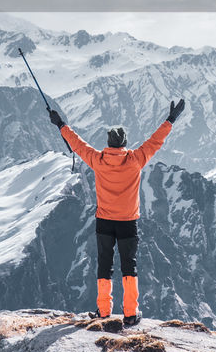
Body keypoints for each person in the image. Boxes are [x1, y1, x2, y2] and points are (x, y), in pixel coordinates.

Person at [49, 99, 185, 325]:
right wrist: (170, 119)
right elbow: (155, 141)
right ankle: (131, 313)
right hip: (128, 222)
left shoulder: (98, 160)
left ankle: (103, 311)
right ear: (124, 143)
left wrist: (60, 124)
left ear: (109, 143)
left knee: (104, 264)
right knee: (128, 266)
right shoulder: (135, 160)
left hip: (104, 221)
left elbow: (77, 144)